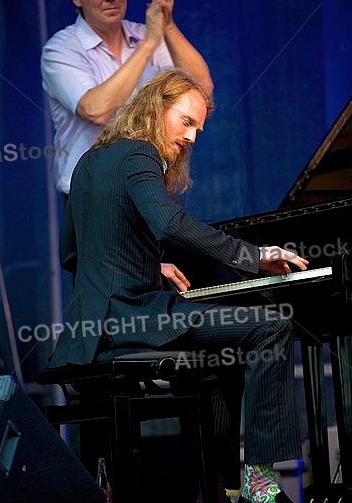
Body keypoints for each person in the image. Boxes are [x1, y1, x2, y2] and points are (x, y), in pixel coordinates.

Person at [49, 68, 308, 503]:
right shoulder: (139, 155)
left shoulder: (88, 161)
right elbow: (169, 222)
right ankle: (260, 488)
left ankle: (224, 484)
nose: (192, 137)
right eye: (185, 122)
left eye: (198, 129)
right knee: (271, 328)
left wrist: (152, 265)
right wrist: (255, 257)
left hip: (91, 325)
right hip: (131, 318)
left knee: (224, 355)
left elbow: (71, 255)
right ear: (155, 108)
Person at [41, 0, 213, 292]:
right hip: (94, 198)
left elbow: (202, 91)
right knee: (117, 305)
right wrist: (149, 44)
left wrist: (166, 25)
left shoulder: (146, 33)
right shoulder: (61, 49)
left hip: (150, 189)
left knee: (176, 293)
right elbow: (96, 108)